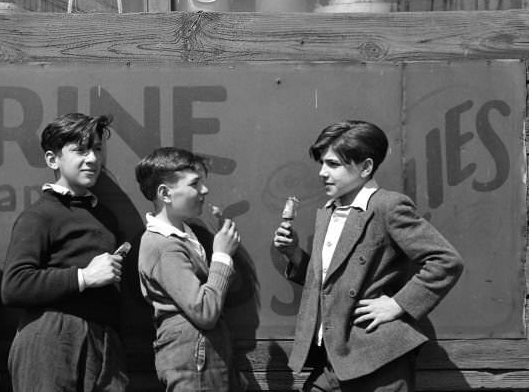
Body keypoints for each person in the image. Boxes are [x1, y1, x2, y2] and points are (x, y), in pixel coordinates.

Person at [272, 120, 463, 392]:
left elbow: (446, 260)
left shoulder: (387, 206)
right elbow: (332, 282)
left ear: (366, 167)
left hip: (378, 357)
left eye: (333, 164)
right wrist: (294, 254)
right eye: (322, 164)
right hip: (334, 355)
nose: (322, 173)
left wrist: (398, 304)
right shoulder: (328, 211)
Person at [1, 112, 129, 392]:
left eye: (97, 149)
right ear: (52, 159)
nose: (93, 159)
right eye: (80, 150)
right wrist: (83, 277)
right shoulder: (39, 215)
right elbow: (13, 286)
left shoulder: (105, 216)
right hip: (52, 338)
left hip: (104, 342)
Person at [135, 147, 243, 392]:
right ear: (165, 193)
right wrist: (223, 256)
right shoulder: (163, 245)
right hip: (193, 354)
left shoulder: (182, 234)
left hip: (200, 353)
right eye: (194, 184)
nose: (204, 190)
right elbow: (204, 311)